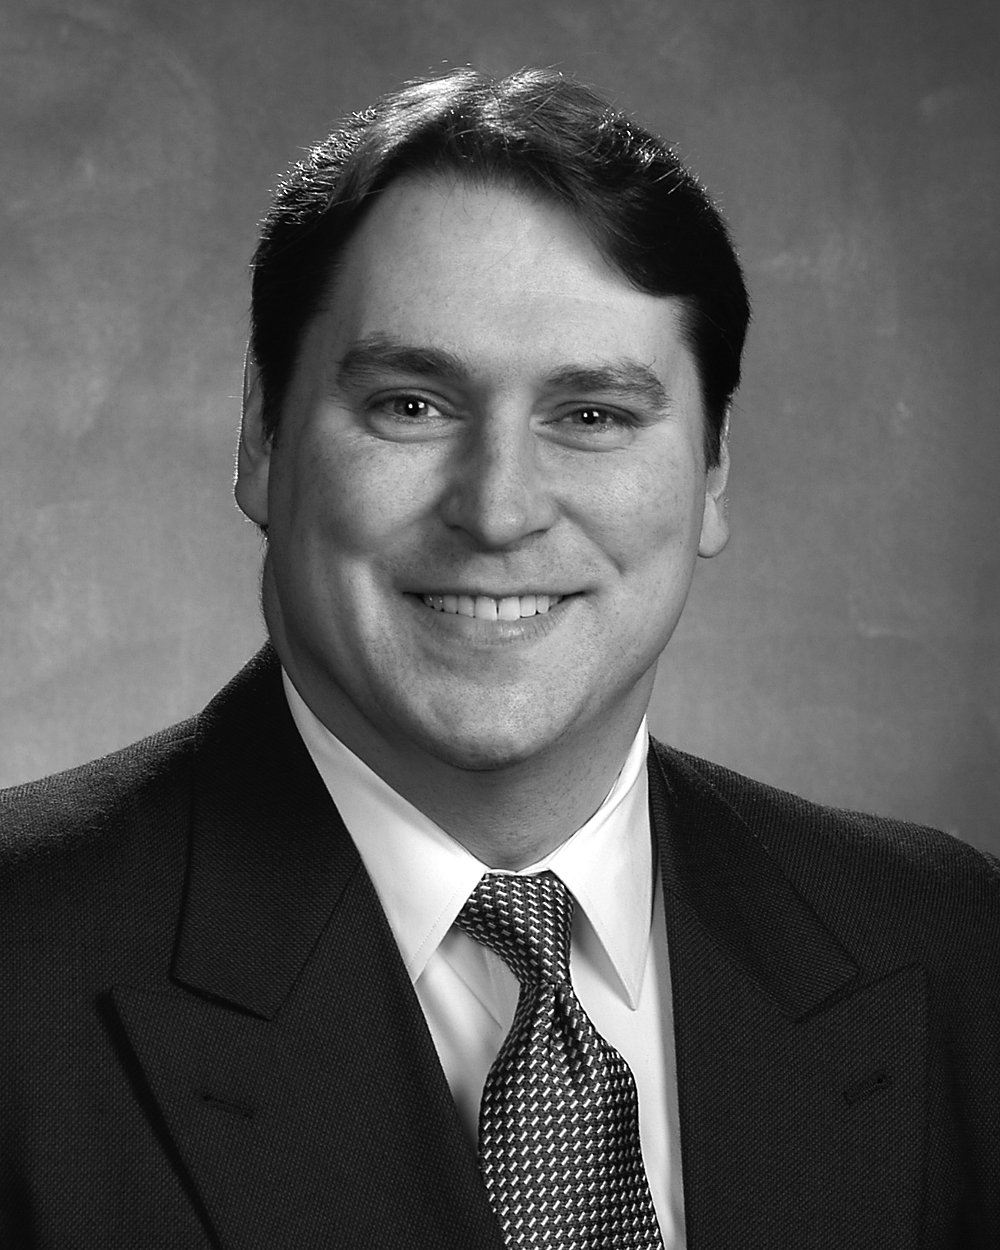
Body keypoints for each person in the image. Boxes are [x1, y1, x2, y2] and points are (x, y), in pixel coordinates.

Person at [1, 67, 997, 1250]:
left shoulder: (946, 942)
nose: (499, 509)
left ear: (714, 469)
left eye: (592, 415)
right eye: (411, 404)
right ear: (262, 438)